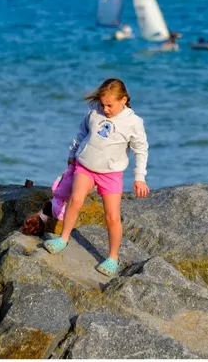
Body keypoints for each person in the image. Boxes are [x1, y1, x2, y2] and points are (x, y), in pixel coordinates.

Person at [42, 77, 149, 275]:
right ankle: (63, 238)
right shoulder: (94, 112)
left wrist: (139, 177)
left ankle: (112, 258)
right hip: (86, 166)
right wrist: (72, 155)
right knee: (75, 200)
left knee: (112, 217)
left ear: (123, 100)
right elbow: (82, 133)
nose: (105, 109)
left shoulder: (133, 122)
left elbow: (141, 150)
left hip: (111, 174)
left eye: (110, 105)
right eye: (103, 104)